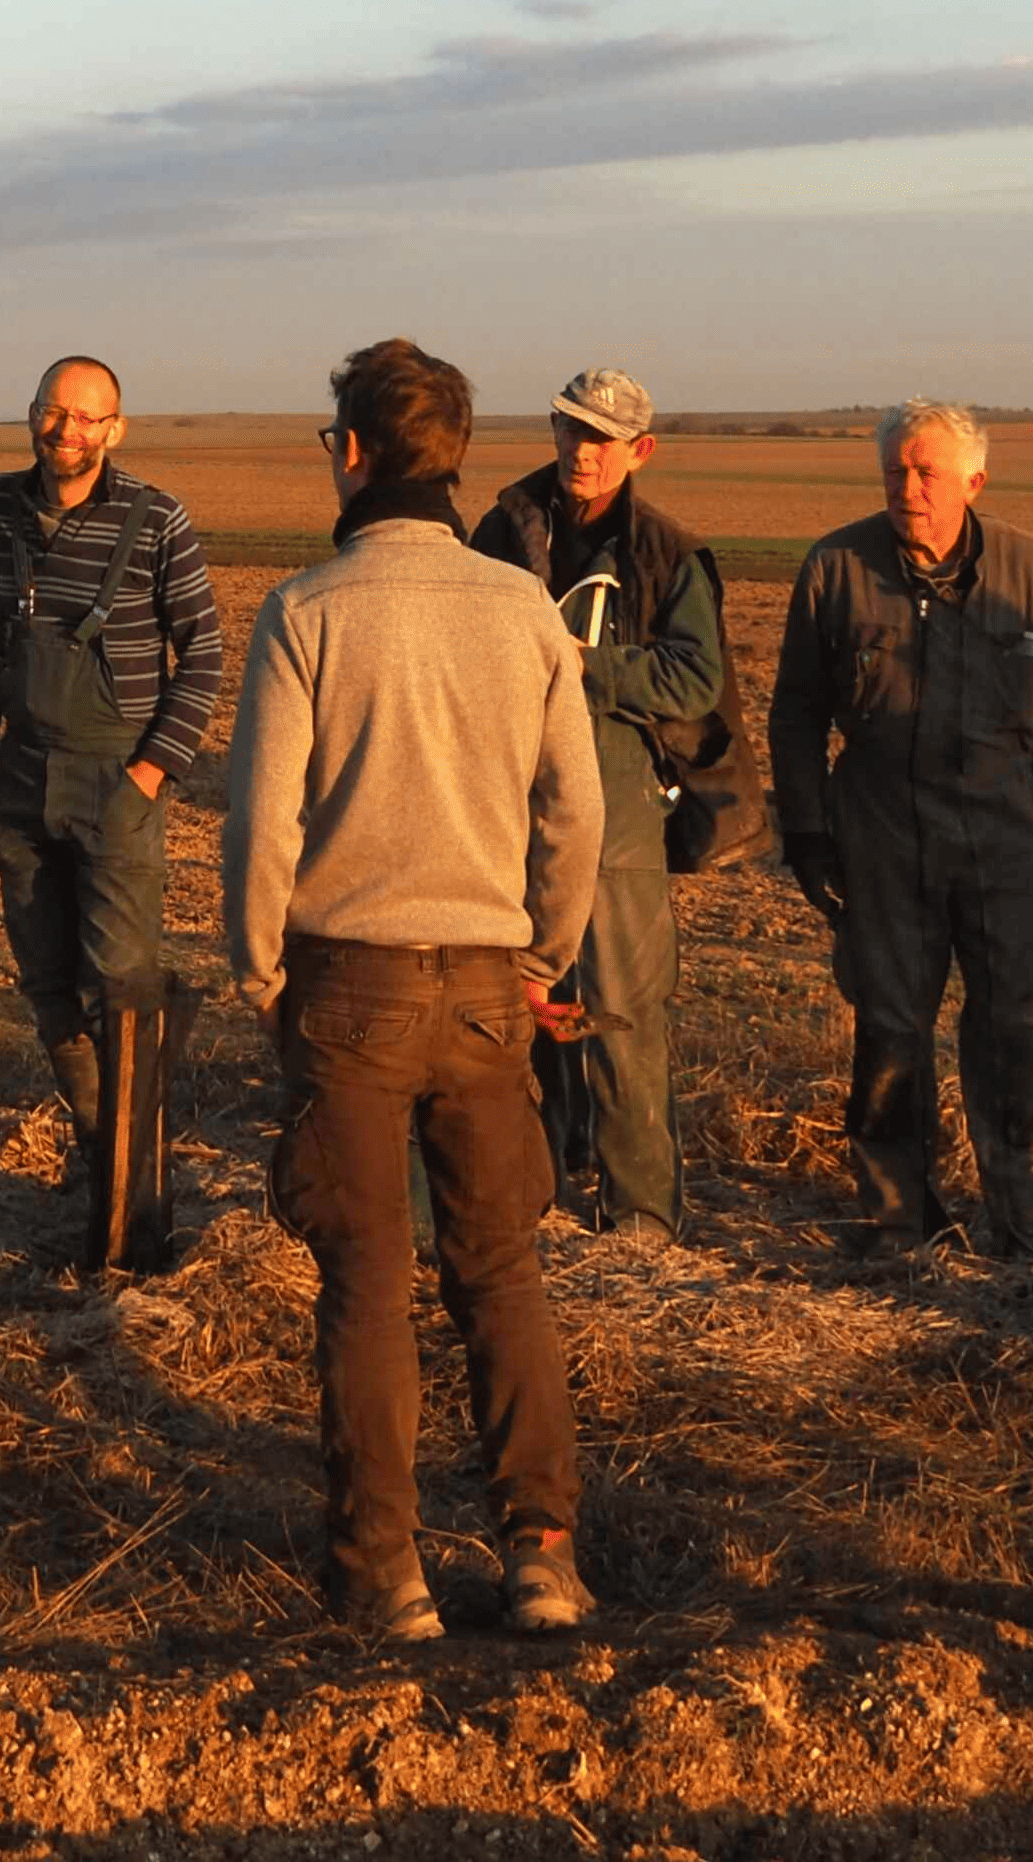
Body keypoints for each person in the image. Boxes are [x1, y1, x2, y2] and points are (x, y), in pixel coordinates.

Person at [223, 338, 607, 1643]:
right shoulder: (525, 611)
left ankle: (385, 1577)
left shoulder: (309, 610)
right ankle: (544, 1558)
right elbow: (578, 814)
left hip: (348, 983)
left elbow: (261, 824)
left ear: (349, 453)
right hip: (494, 986)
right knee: (502, 1276)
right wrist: (543, 954)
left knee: (367, 1287)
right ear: (456, 461)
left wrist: (258, 965)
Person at [768, 399, 1033, 1260]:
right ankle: (898, 1226)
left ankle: (1029, 1231)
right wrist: (808, 834)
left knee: (1019, 1032)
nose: (908, 490)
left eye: (926, 474)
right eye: (895, 473)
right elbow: (797, 713)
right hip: (882, 836)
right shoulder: (836, 569)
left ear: (973, 481)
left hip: (1013, 843)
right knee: (889, 1031)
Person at [465, 367, 729, 1244]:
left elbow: (696, 680)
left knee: (620, 1008)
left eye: (603, 439)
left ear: (639, 451)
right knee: (519, 1005)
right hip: (507, 796)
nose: (584, 451)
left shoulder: (667, 554)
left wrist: (586, 669)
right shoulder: (504, 529)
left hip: (617, 798)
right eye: (572, 430)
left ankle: (641, 1215)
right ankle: (532, 1182)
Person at [0, 354, 229, 1138]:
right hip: (21, 768)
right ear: (32, 412)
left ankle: (136, 1154)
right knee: (43, 974)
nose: (66, 430)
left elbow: (204, 651)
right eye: (54, 411)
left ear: (115, 428)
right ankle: (97, 1134)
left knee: (119, 977)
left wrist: (148, 774)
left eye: (86, 417)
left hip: (118, 773)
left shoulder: (155, 518)